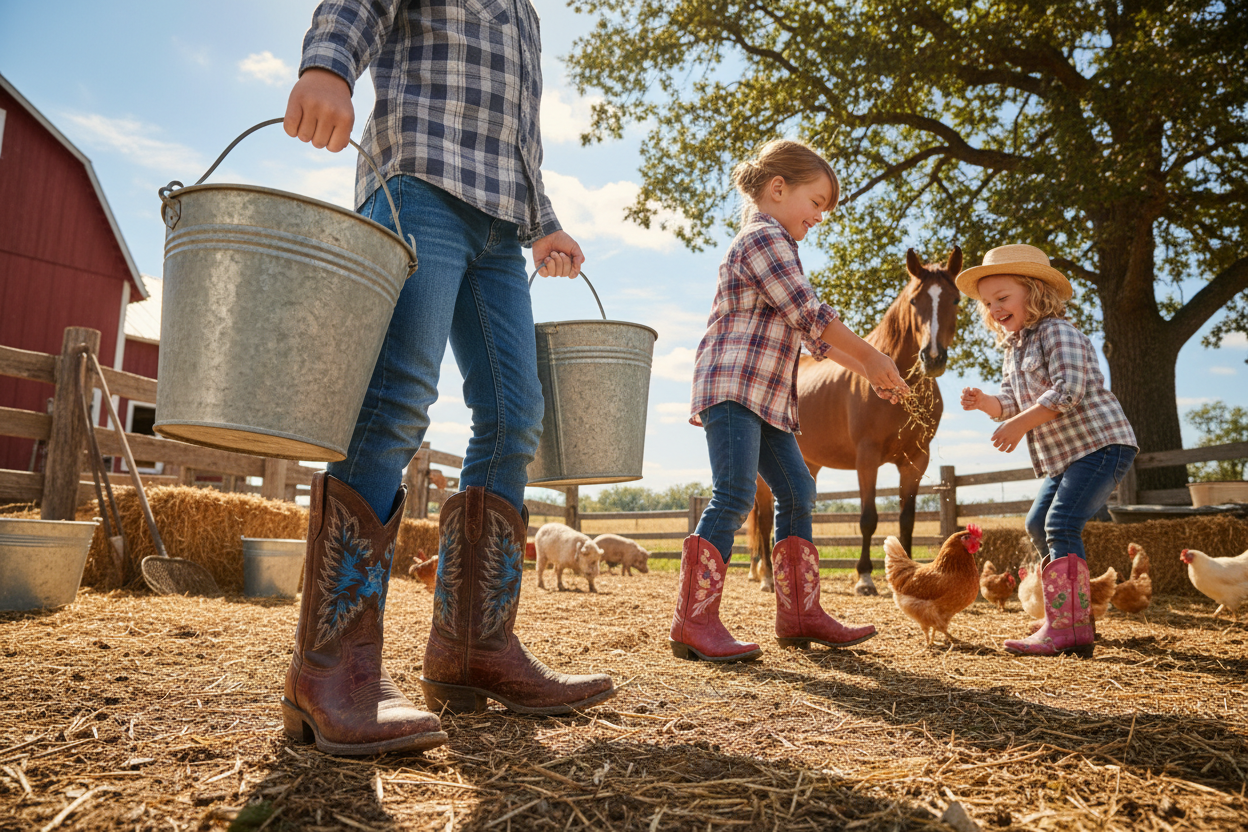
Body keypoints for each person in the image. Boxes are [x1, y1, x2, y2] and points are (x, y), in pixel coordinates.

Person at [279, 0, 614, 757]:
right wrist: (328, 64)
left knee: (515, 416)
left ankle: (474, 650)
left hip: (502, 228)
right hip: (418, 186)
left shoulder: (524, 16)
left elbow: (511, 134)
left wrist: (544, 219)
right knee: (398, 396)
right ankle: (331, 667)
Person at [671, 139, 909, 663]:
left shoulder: (782, 246)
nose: (821, 215)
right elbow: (810, 313)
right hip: (734, 387)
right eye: (817, 201)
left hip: (770, 399)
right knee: (734, 494)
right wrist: (871, 359)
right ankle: (694, 620)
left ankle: (800, 614)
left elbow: (816, 340)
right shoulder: (762, 238)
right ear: (778, 189)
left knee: (798, 489)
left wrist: (873, 372)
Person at [958, 244, 1137, 658]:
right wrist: (987, 402)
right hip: (1065, 456)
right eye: (988, 303)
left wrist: (1019, 423)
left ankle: (1070, 626)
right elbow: (1011, 400)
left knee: (1061, 523)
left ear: (1035, 292)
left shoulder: (1059, 332)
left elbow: (1068, 391)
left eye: (1003, 298)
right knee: (1038, 522)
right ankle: (1066, 613)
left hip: (1100, 445)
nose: (995, 308)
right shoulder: (1013, 348)